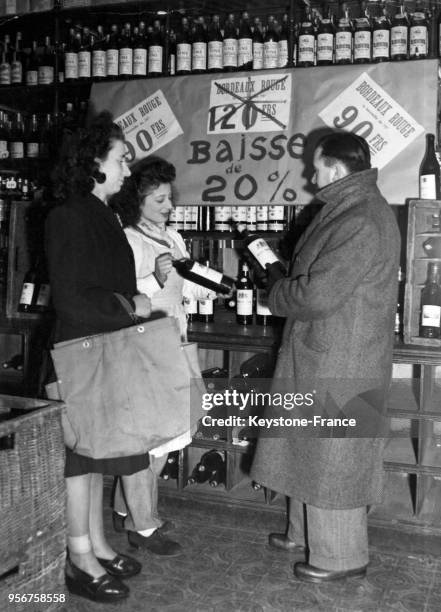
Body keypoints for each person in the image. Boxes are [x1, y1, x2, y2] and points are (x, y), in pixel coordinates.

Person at [250, 131, 401, 583]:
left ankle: (341, 556)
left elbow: (316, 294)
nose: (311, 175)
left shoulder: (359, 218)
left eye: (316, 167)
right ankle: (304, 532)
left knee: (336, 458)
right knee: (309, 448)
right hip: (330, 352)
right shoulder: (354, 209)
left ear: (336, 168)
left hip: (342, 359)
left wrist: (275, 291)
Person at [46, 111, 152, 603]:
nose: (128, 169)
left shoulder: (99, 212)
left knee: (90, 460)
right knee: (77, 464)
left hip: (100, 354)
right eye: (121, 158)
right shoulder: (68, 214)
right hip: (76, 359)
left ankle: (100, 547)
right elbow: (71, 298)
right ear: (93, 162)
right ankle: (79, 558)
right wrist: (133, 307)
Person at [110, 156, 216, 555]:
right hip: (144, 346)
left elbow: (183, 289)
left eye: (169, 199)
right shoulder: (127, 239)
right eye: (159, 200)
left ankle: (126, 510)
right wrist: (152, 277)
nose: (169, 207)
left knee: (174, 429)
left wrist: (208, 285)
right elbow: (119, 296)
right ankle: (144, 525)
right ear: (136, 201)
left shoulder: (173, 238)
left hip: (176, 340)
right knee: (152, 438)